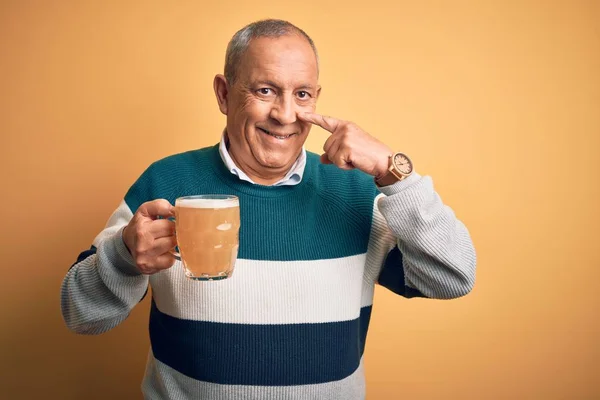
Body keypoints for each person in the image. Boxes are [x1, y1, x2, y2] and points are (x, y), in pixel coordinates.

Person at [61, 19, 476, 400]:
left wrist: (395, 173)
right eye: (264, 90)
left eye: (302, 94)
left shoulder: (359, 192)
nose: (284, 115)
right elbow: (81, 315)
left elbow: (453, 277)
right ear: (224, 94)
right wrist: (123, 257)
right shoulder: (165, 183)